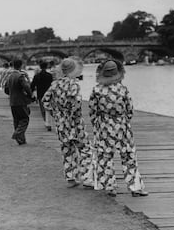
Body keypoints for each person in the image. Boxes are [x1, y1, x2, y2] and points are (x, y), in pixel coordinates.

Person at [89, 60, 148, 197]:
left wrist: (98, 125)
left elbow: (92, 111)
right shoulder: (123, 89)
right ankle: (135, 187)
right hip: (122, 125)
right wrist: (124, 121)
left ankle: (110, 186)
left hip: (104, 125)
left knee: (105, 157)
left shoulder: (97, 90)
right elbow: (130, 110)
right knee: (129, 156)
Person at [42, 57, 93, 188]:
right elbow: (75, 102)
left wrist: (56, 113)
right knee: (85, 149)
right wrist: (71, 114)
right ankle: (87, 178)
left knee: (67, 150)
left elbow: (45, 100)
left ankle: (71, 177)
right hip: (74, 123)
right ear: (74, 70)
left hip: (61, 124)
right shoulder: (74, 84)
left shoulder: (55, 84)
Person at [4, 59, 33, 145]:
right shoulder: (20, 76)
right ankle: (17, 134)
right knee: (24, 119)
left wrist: (12, 94)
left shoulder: (9, 76)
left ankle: (21, 140)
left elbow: (6, 90)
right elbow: (26, 87)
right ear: (21, 66)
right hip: (20, 101)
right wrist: (30, 95)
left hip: (12, 101)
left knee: (16, 120)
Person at [30, 61, 53, 131]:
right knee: (49, 108)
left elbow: (32, 85)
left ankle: (46, 122)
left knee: (42, 109)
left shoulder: (37, 76)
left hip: (40, 94)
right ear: (46, 67)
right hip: (49, 94)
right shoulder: (49, 75)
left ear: (40, 67)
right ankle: (49, 122)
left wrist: (31, 93)